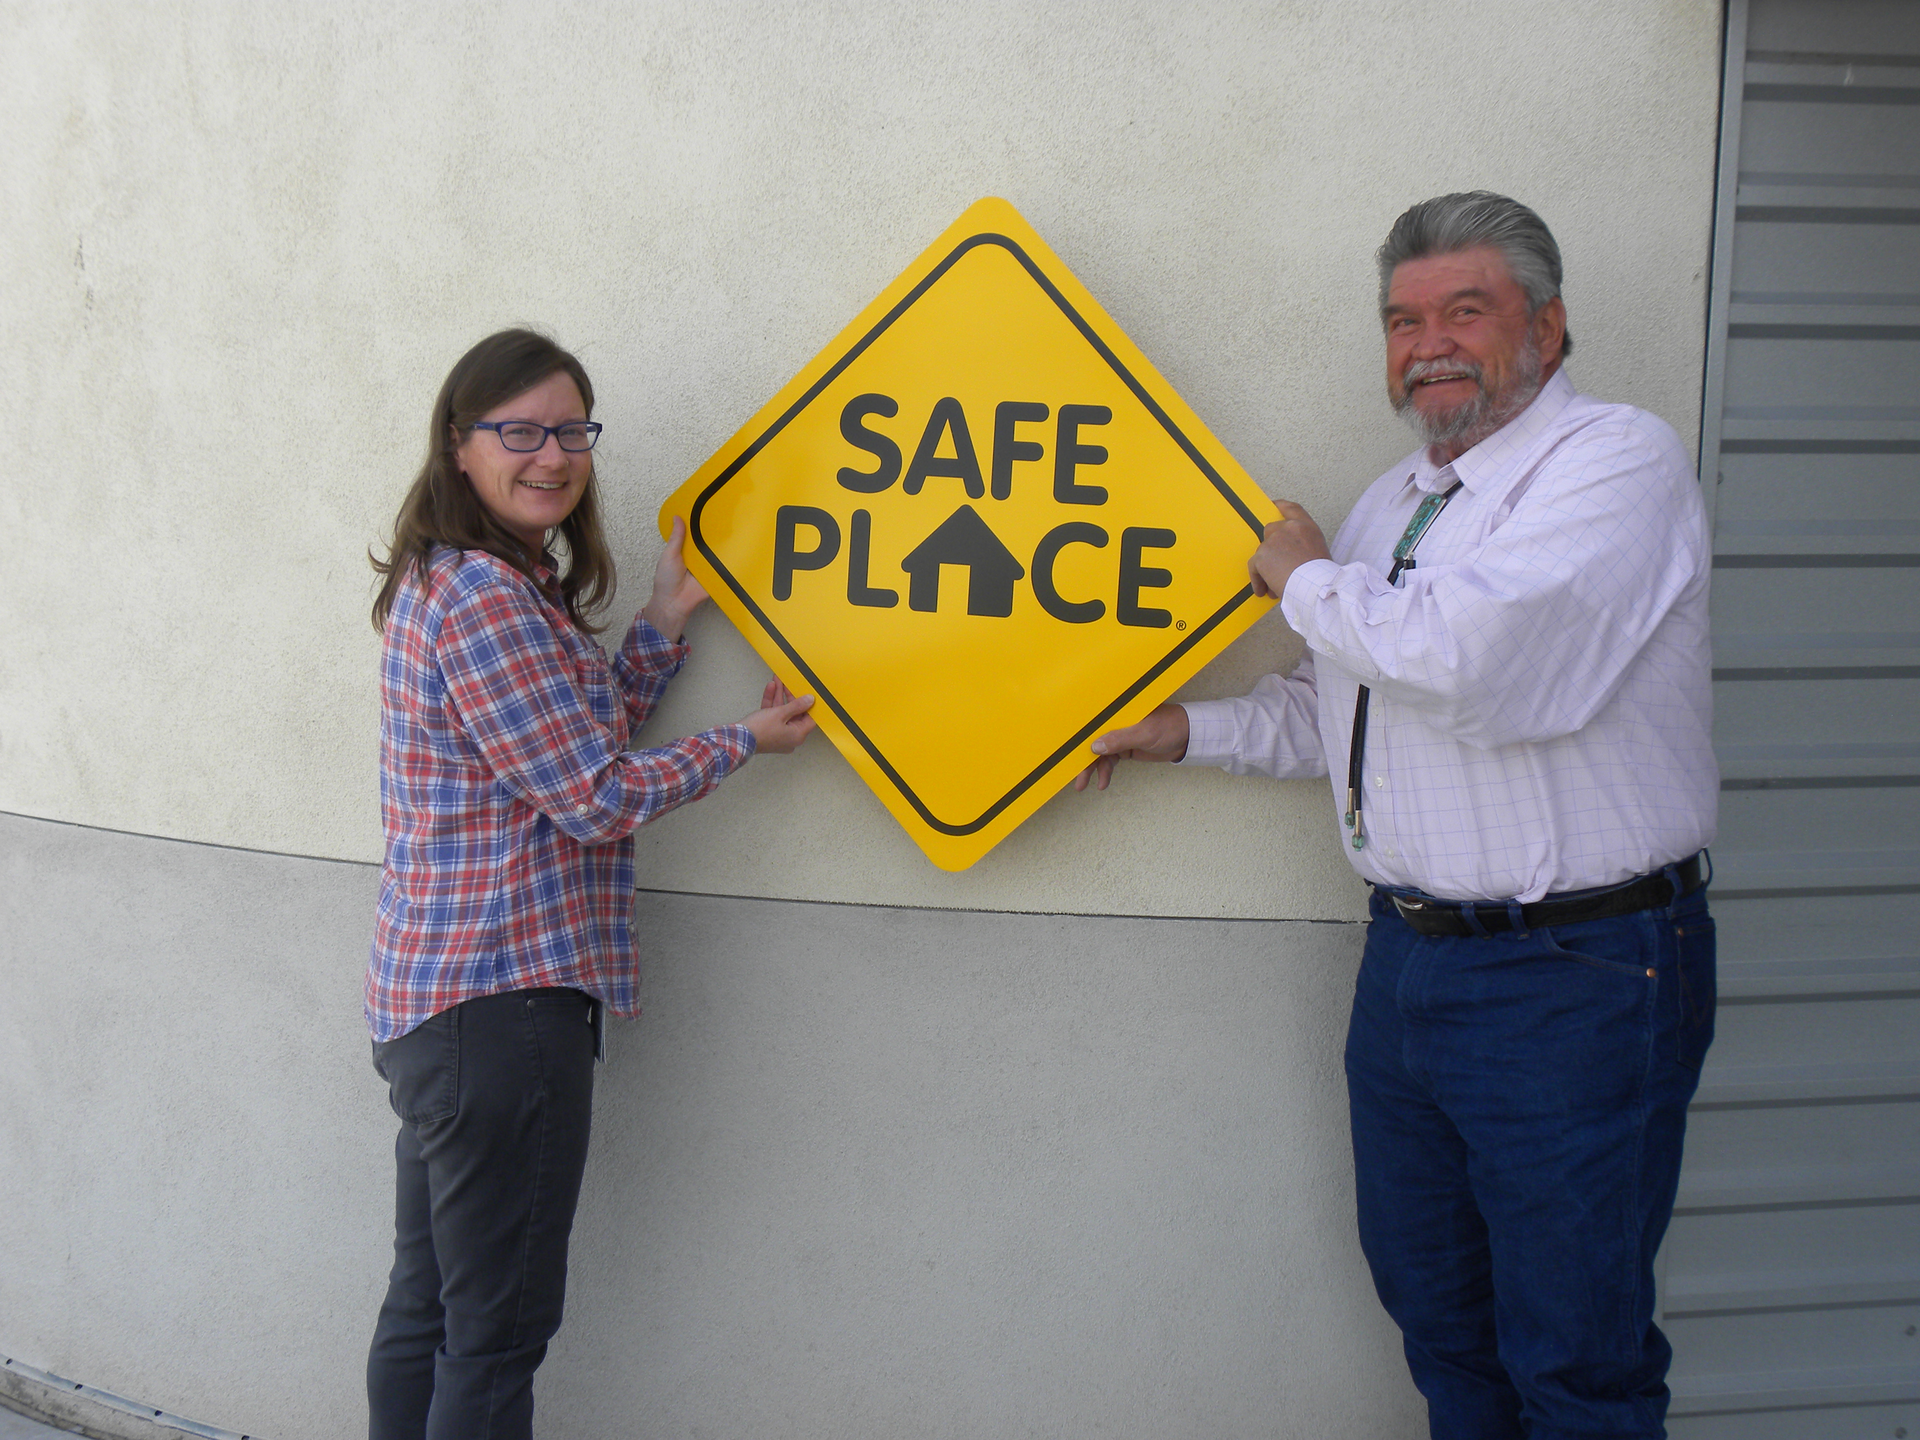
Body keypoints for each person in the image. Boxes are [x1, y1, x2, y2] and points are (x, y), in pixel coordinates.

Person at [1081, 193, 1716, 1439]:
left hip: (1578, 972)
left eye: (1463, 311)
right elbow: (1348, 710)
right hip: (1412, 964)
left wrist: (1302, 574)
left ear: (1549, 322)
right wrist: (1184, 732)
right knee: (1442, 1323)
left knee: (1576, 1358)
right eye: (1401, 318)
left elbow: (1473, 667)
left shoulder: (1616, 464)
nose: (1428, 342)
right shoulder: (1393, 504)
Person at [363, 328, 817, 1440]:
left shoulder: (485, 584)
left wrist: (662, 619)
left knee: (431, 1311)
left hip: (449, 1007)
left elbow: (572, 744)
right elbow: (597, 794)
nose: (552, 455)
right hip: (502, 1010)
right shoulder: (486, 598)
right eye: (519, 430)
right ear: (460, 447)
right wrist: (744, 741)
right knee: (495, 1338)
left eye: (571, 429)